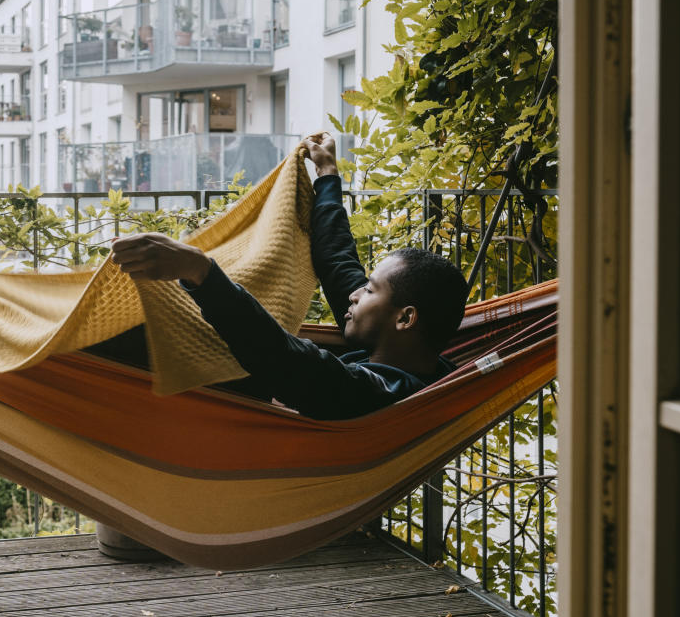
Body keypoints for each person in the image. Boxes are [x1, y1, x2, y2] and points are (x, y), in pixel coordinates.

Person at [108, 133, 470, 420]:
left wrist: (200, 271)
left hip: (230, 442)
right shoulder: (400, 351)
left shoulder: (385, 394)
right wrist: (327, 174)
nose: (356, 295)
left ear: (405, 318)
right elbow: (337, 261)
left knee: (127, 334)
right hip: (207, 399)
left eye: (370, 291)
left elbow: (291, 362)